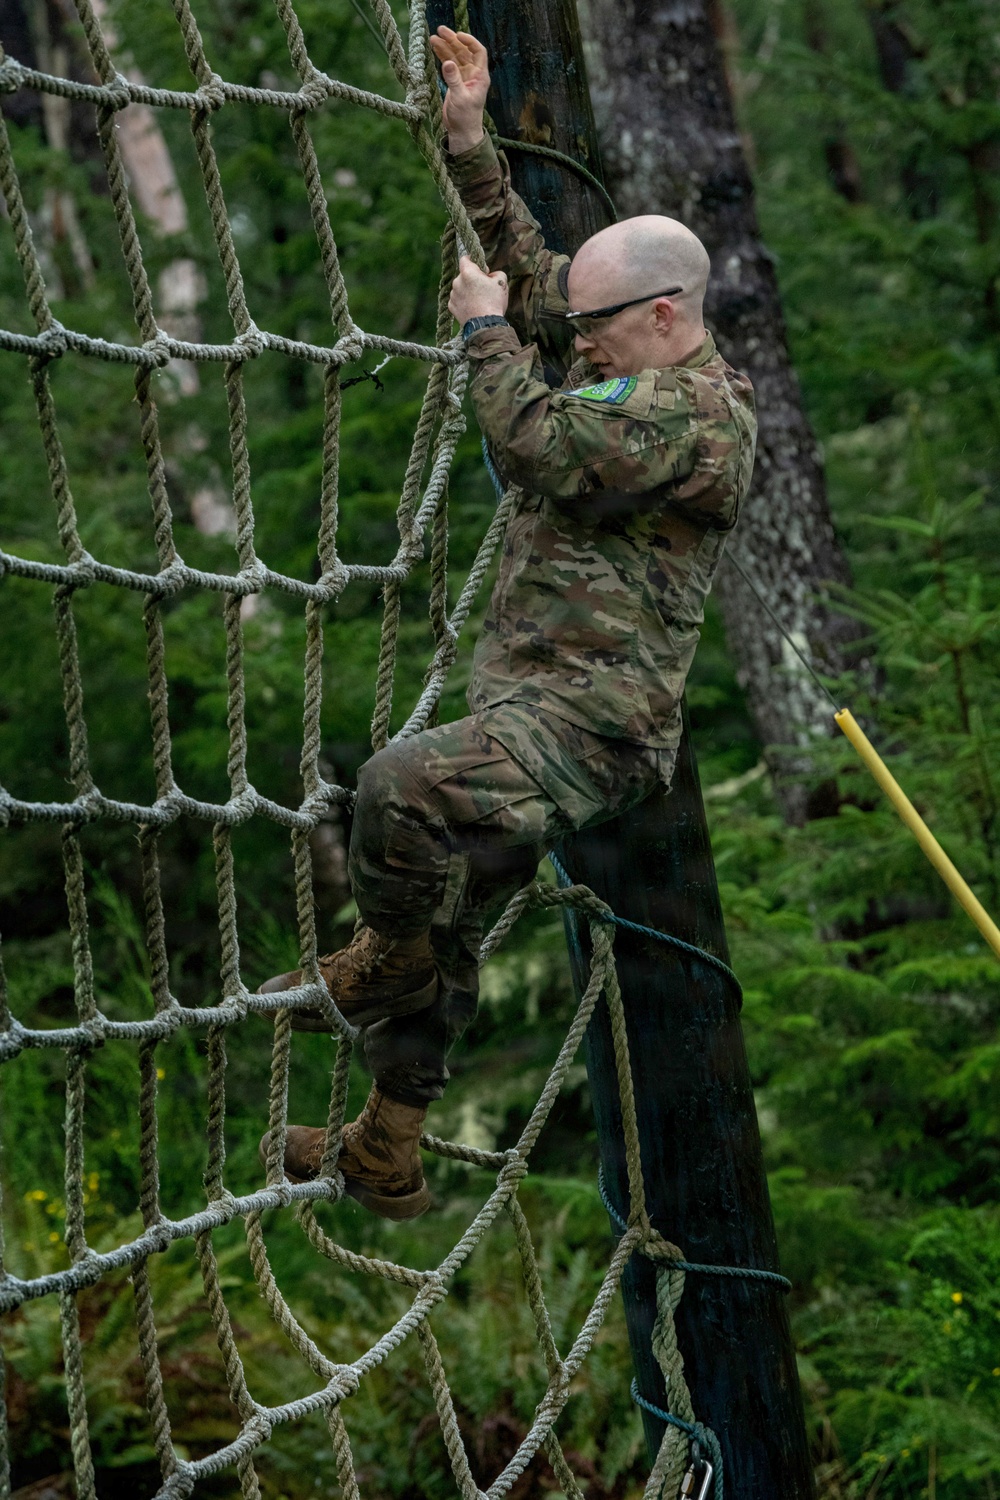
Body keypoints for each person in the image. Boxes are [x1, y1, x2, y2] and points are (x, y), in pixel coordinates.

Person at [257, 27, 757, 1219]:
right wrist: (474, 147)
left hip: (594, 727)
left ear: (671, 314)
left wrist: (486, 336)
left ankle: (382, 965)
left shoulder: (700, 422)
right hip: (533, 702)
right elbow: (541, 281)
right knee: (452, 904)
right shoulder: (624, 355)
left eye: (599, 329)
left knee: (398, 788)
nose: (572, 341)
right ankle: (389, 1142)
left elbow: (535, 445)